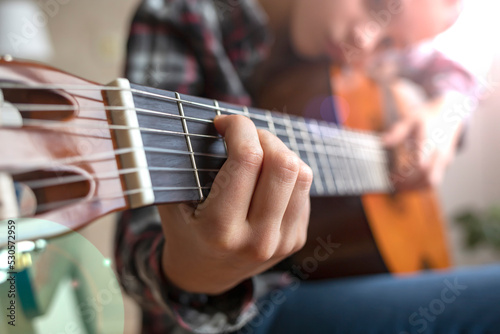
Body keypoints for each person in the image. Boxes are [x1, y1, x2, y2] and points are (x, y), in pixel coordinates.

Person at [115, 0, 500, 333]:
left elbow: (460, 77)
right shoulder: (188, 14)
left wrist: (446, 114)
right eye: (373, 5)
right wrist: (195, 273)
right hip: (239, 315)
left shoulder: (385, 35)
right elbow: (134, 252)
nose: (365, 41)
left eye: (389, 42)